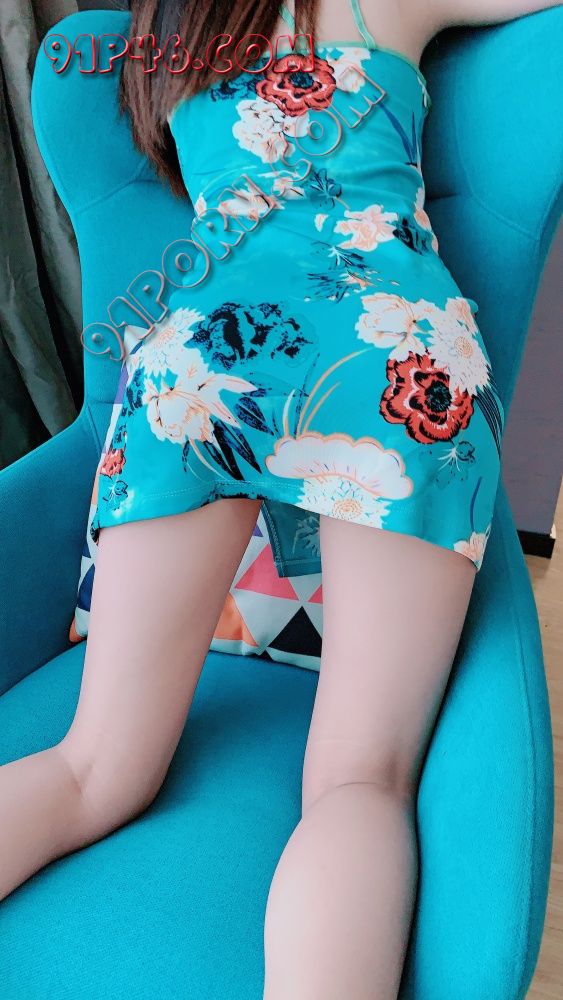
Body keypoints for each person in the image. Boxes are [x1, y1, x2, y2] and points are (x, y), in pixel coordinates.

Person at [1, 1, 559, 997]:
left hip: (198, 354)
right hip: (392, 350)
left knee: (92, 767)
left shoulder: (162, 35)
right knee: (357, 780)